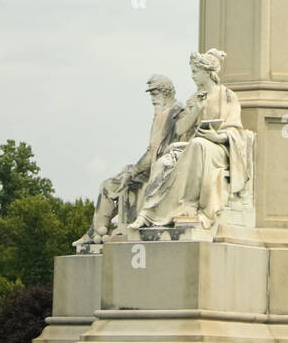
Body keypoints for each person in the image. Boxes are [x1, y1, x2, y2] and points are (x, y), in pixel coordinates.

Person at [129, 49, 251, 230]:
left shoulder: (226, 96)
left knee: (198, 145)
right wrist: (196, 111)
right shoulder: (194, 98)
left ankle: (188, 205)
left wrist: (217, 137)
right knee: (164, 162)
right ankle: (148, 213)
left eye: (195, 72)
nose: (191, 76)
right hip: (193, 146)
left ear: (207, 72)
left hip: (219, 149)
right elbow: (180, 129)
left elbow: (236, 131)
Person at [73, 74, 182, 248]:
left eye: (155, 95)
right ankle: (97, 232)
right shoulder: (167, 112)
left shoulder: (170, 114)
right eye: (151, 95)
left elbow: (153, 152)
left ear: (166, 93)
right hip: (156, 168)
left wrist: (132, 171)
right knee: (113, 182)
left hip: (162, 171)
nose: (152, 100)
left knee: (112, 185)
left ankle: (98, 233)